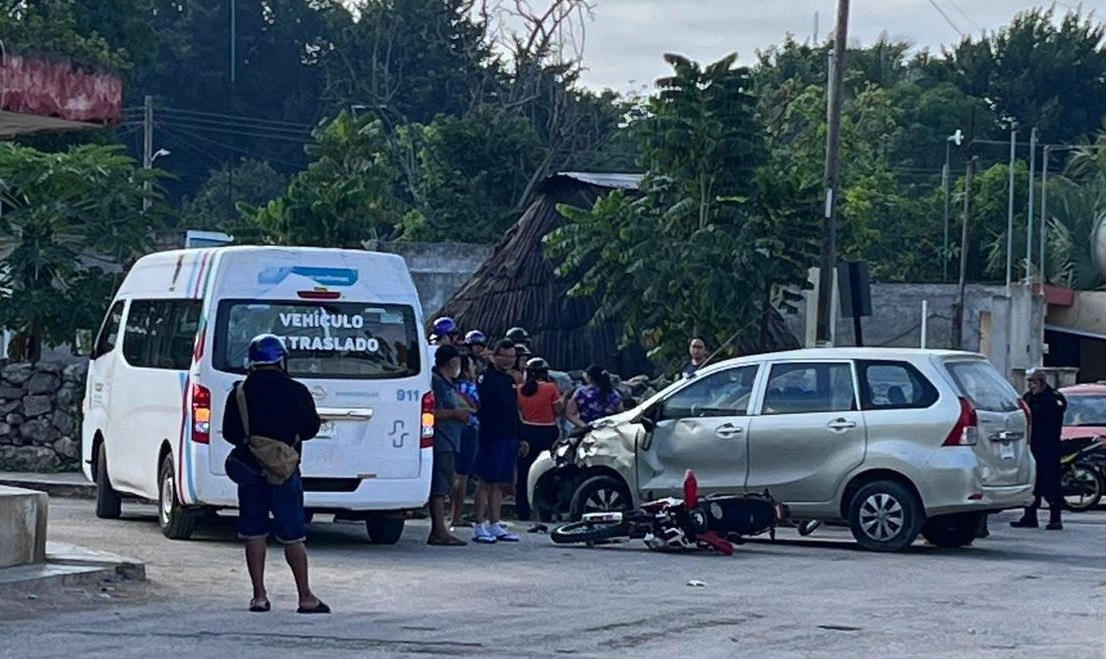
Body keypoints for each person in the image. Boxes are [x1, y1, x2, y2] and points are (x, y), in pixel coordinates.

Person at [221, 334, 329, 614]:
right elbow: (310, 429)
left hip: (250, 471)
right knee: (293, 535)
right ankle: (305, 597)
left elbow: (231, 433)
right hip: (285, 470)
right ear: (281, 360)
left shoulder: (239, 392)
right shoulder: (296, 390)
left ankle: (259, 596)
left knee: (254, 533)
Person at [472, 339, 522, 544]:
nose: (509, 360)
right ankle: (479, 525)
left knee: (499, 483)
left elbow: (513, 409)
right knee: (485, 481)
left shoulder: (508, 380)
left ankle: (495, 523)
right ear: (495, 355)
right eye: (505, 356)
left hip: (508, 435)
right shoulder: (486, 378)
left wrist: (520, 436)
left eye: (512, 357)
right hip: (490, 436)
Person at [1011, 369, 1068, 531]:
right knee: (1033, 481)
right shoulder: (1028, 397)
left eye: (1033, 382)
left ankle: (1055, 519)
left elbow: (1054, 415)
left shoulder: (1053, 398)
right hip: (1031, 446)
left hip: (1049, 447)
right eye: (1029, 382)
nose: (1030, 385)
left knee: (1051, 483)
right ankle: (1030, 516)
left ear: (1041, 382)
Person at [428, 345, 469, 545]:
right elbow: (431, 412)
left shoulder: (449, 384)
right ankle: (438, 531)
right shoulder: (436, 383)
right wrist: (455, 414)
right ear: (452, 362)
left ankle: (440, 529)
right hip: (441, 441)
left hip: (452, 441)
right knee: (439, 487)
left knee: (445, 484)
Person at [516, 357, 563, 521]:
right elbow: (558, 410)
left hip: (527, 432)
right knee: (548, 473)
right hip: (548, 432)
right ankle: (546, 512)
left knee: (523, 473)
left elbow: (519, 412)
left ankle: (522, 511)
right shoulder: (551, 388)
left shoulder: (519, 390)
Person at [450, 354, 481, 529]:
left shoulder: (450, 386)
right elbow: (479, 407)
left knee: (453, 474)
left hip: (451, 431)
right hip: (469, 431)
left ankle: (450, 514)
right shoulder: (470, 388)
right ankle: (457, 516)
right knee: (462, 476)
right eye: (472, 366)